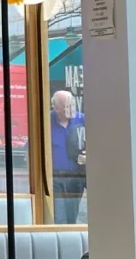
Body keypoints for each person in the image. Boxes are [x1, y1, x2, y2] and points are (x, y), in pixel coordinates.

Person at [51, 90, 86, 224]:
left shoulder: (83, 119)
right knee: (59, 217)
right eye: (66, 105)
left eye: (72, 104)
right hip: (55, 178)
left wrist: (88, 157)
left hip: (76, 178)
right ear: (56, 107)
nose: (71, 108)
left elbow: (99, 143)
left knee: (72, 217)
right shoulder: (47, 121)